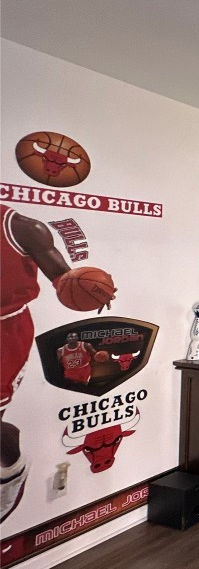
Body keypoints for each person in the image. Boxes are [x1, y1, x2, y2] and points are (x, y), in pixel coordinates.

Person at [1, 204, 116, 522]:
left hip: (5, 331)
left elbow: (66, 281)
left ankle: (12, 468)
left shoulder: (22, 228)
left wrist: (90, 290)